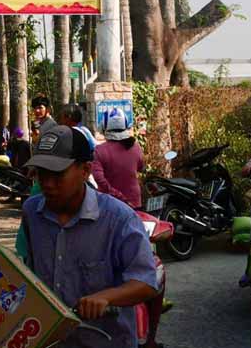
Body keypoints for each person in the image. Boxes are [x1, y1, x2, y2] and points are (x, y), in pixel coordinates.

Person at [21, 126, 158, 347]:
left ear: (85, 170)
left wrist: (107, 297)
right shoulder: (31, 212)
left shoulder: (119, 219)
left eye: (57, 175)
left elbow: (146, 283)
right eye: (41, 173)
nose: (47, 183)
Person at [89, 108, 144, 209]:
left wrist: (117, 195)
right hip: (134, 202)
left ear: (104, 127)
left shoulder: (99, 150)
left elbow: (99, 179)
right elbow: (141, 167)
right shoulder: (135, 147)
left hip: (110, 205)